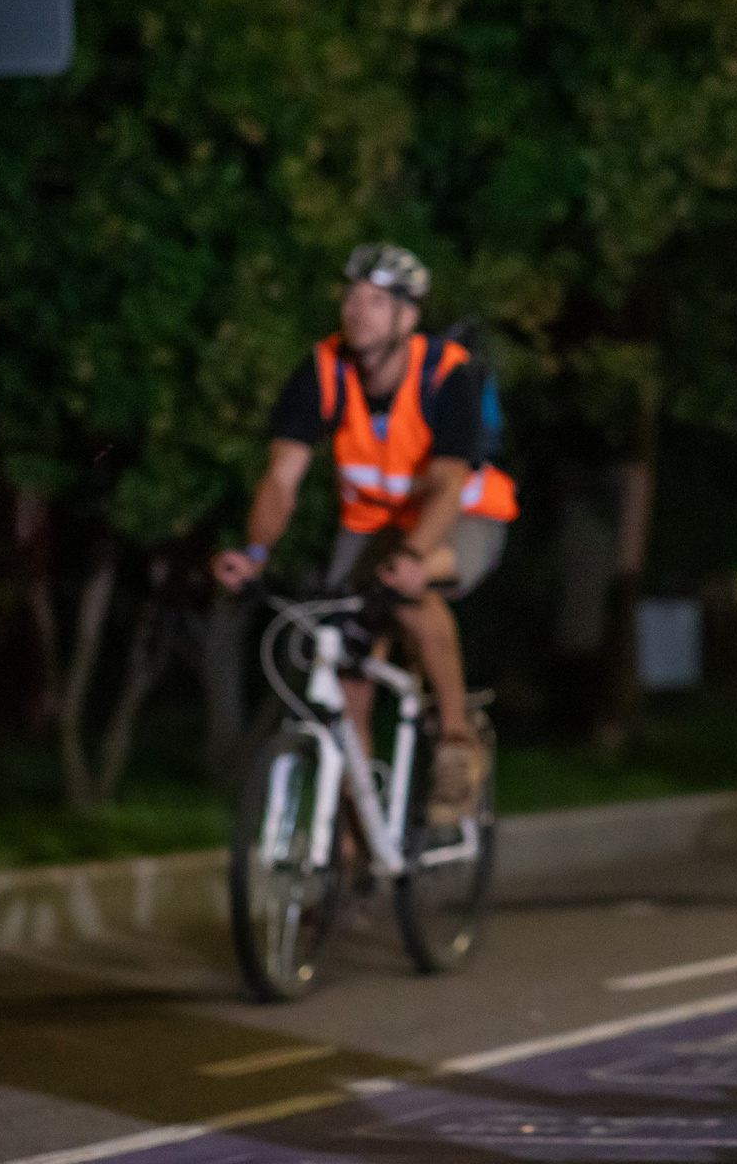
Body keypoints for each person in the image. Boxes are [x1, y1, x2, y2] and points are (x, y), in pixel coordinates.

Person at [212, 245, 516, 823]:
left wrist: (414, 557)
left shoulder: (449, 374)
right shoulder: (324, 370)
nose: (358, 311)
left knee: (411, 594)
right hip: (373, 525)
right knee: (344, 661)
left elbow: (449, 483)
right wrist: (254, 554)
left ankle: (456, 741)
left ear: (407, 318)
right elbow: (282, 477)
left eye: (378, 302)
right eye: (352, 297)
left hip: (463, 516)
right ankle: (350, 848)